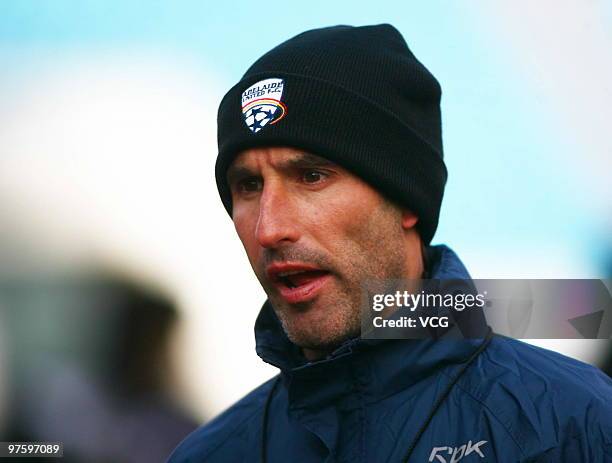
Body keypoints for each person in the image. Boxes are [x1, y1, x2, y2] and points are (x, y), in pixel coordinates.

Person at [168, 24, 612, 462]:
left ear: (405, 199)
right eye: (247, 185)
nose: (269, 229)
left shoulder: (577, 423)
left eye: (312, 176)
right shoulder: (210, 455)